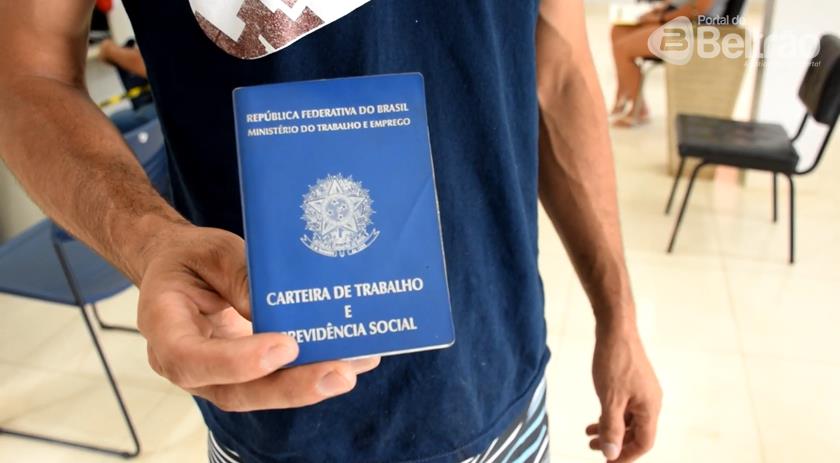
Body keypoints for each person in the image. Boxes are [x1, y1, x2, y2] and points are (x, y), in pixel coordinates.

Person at [0, 1, 662, 462]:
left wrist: (619, 316)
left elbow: (558, 63)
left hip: (503, 382)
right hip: (279, 417)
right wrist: (149, 240)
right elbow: (27, 72)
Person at [610, 0, 726, 127]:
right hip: (685, 22)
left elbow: (697, 9)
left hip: (699, 32)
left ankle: (638, 109)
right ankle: (624, 95)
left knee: (623, 49)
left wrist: (661, 18)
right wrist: (661, 10)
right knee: (619, 30)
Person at [97, 38, 157, 133]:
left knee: (110, 125)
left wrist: (110, 50)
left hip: (160, 107)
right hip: (144, 105)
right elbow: (103, 54)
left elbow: (153, 70)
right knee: (109, 121)